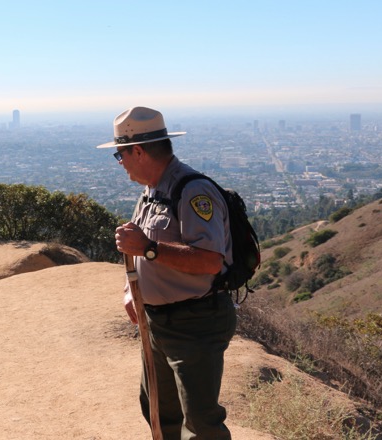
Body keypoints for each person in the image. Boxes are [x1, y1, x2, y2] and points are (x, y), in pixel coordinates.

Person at [96, 106, 236, 439]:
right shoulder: (152, 192)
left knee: (200, 423)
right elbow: (139, 250)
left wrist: (149, 248)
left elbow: (210, 261)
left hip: (195, 322)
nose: (121, 163)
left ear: (139, 151)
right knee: (158, 410)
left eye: (120, 155)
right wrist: (132, 291)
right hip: (157, 322)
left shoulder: (192, 191)